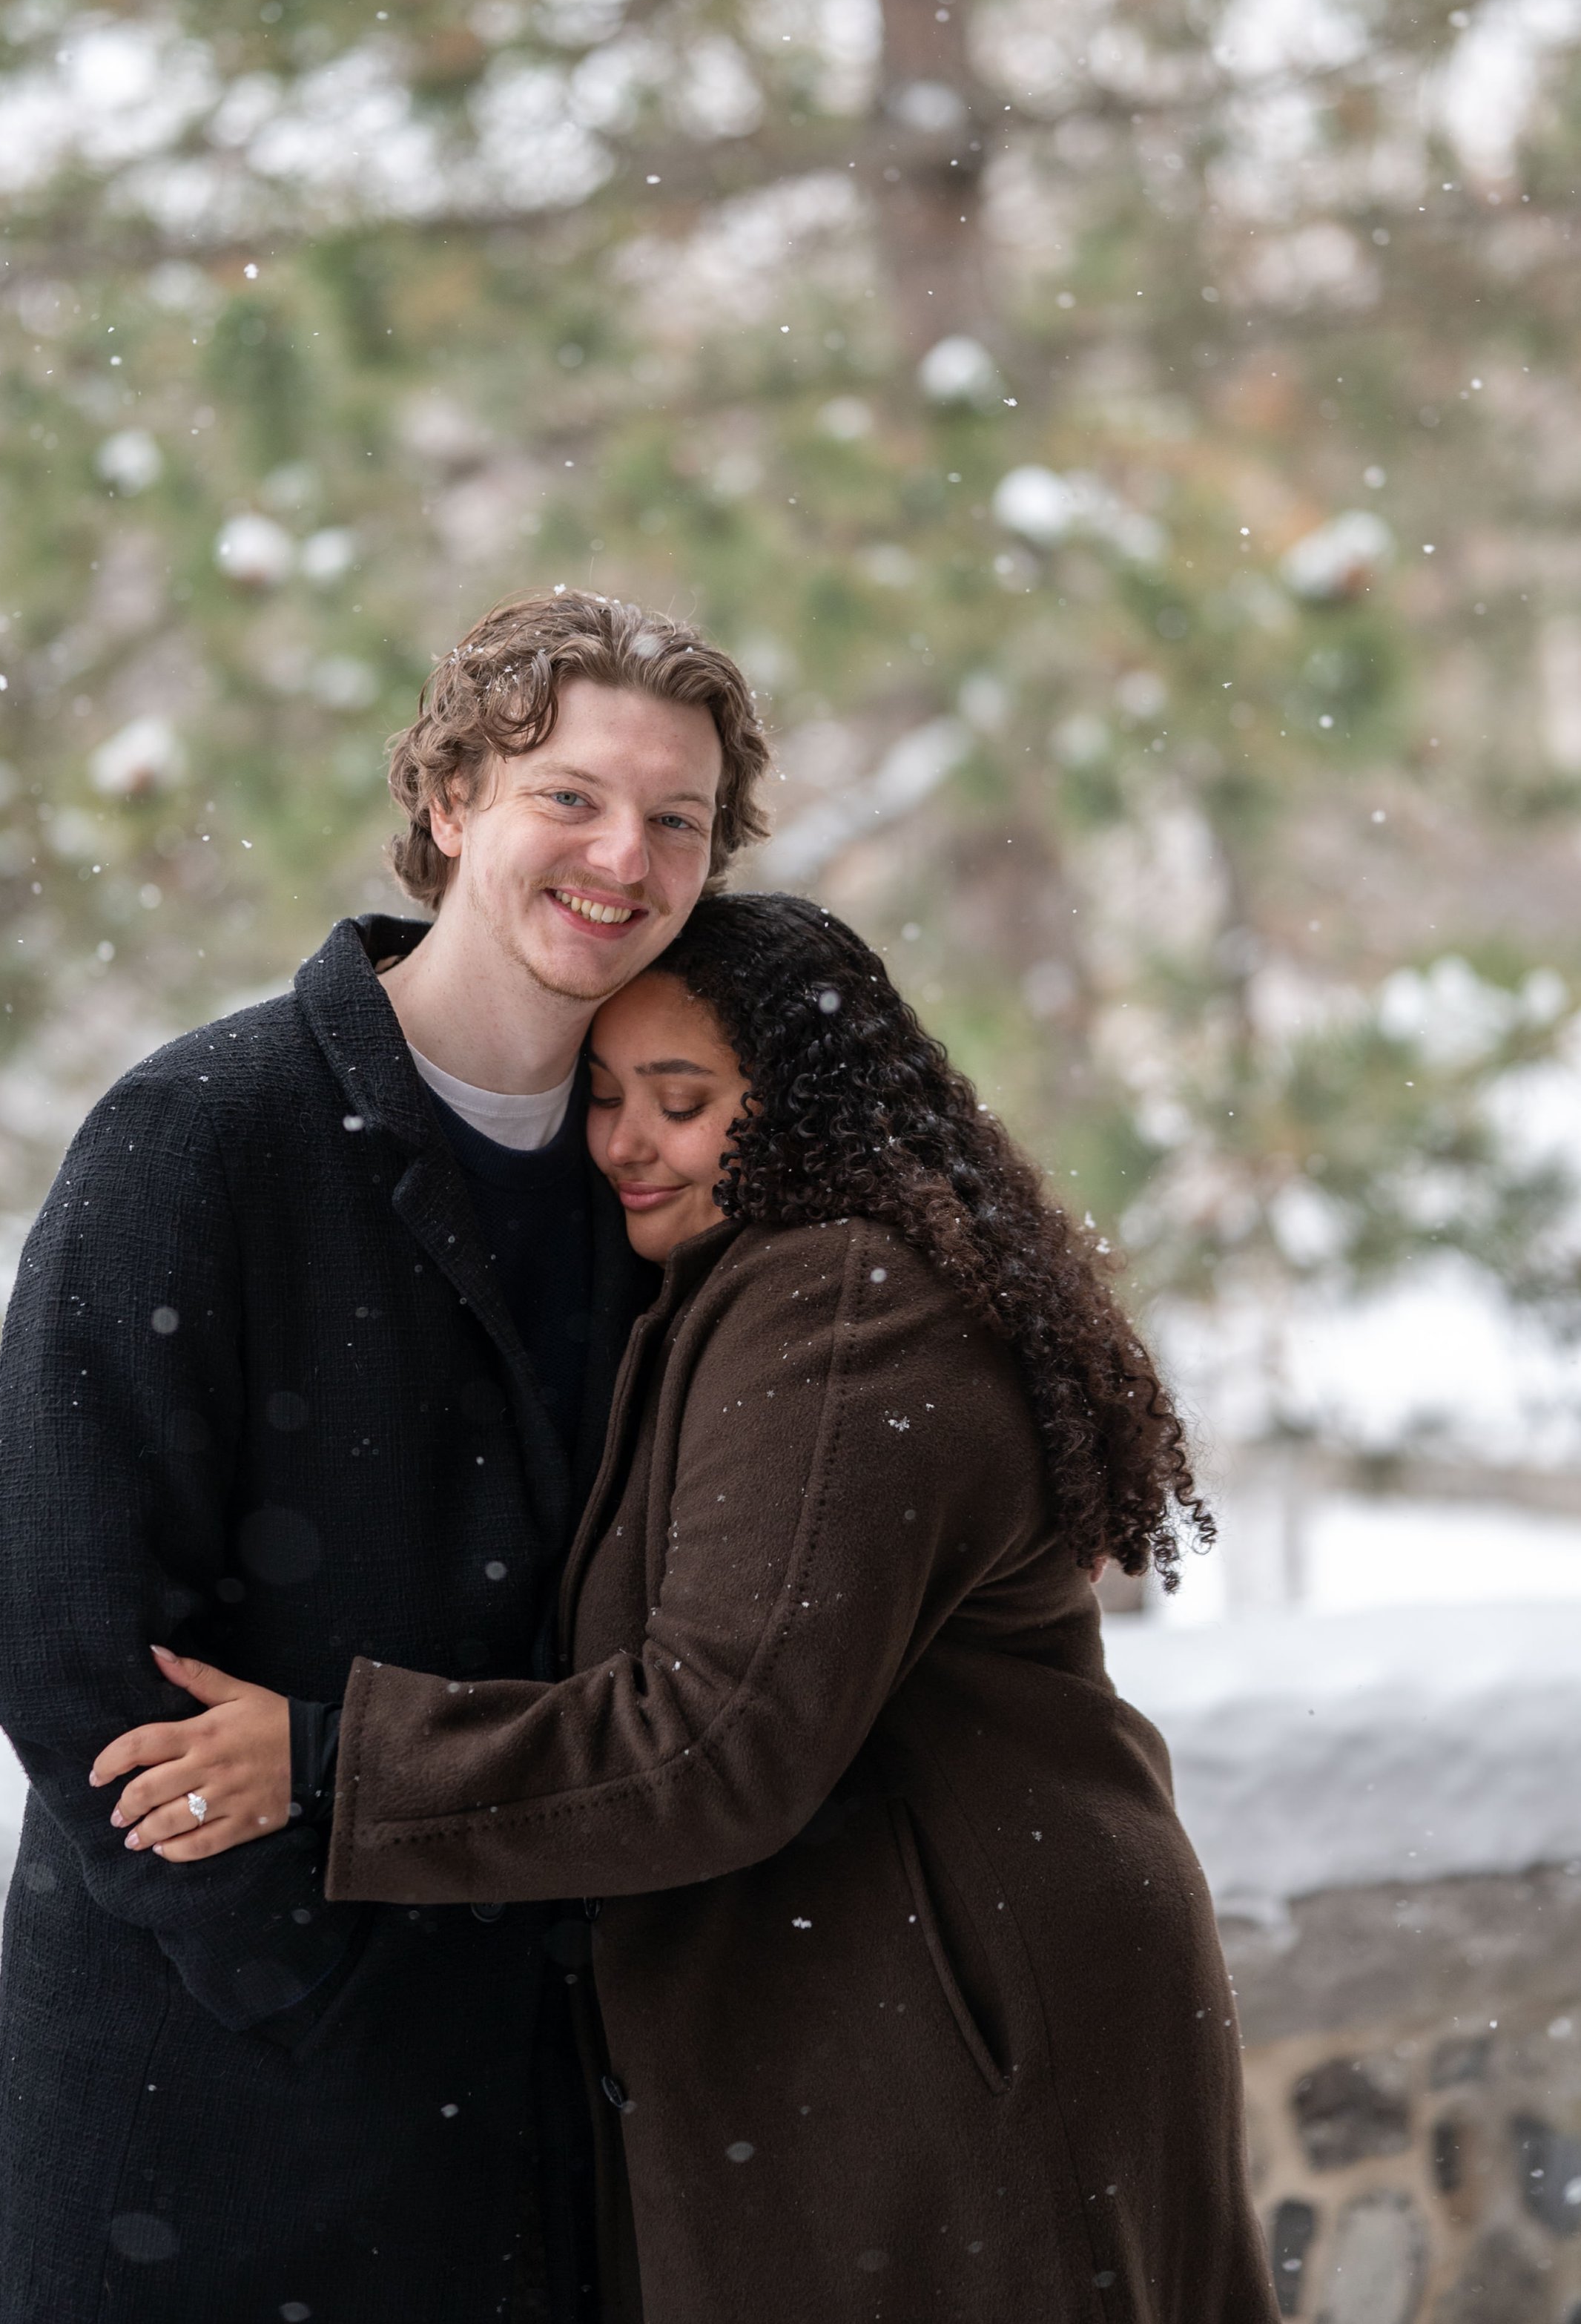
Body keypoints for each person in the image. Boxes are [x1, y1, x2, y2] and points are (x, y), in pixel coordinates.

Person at [96, 893, 1279, 2323]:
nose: (625, 1143)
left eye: (683, 1100)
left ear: (814, 1108)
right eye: (604, 1096)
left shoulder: (842, 1302)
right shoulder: (749, 1283)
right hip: (919, 1991)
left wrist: (333, 1758)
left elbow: (714, 1735)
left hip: (959, 2026)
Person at [0, 591, 770, 2324]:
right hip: (213, 2124)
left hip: (546, 2131)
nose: (622, 857)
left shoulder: (658, 1187)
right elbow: (64, 1641)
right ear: (452, 795)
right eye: (570, 795)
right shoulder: (198, 1135)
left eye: (676, 818)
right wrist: (321, 1987)